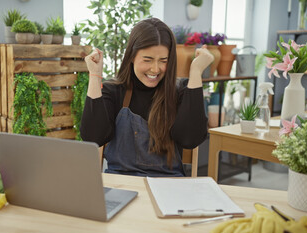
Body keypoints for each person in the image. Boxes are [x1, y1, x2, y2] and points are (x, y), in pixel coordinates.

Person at [81, 18, 213, 177]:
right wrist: (95, 75)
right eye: (147, 60)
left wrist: (196, 72)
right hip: (122, 185)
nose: (155, 69)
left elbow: (190, 140)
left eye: (163, 60)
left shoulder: (180, 91)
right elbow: (93, 138)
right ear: (131, 56)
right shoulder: (114, 90)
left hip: (169, 187)